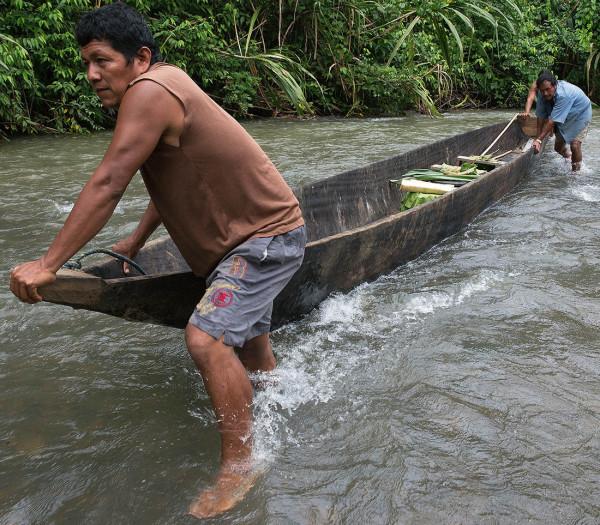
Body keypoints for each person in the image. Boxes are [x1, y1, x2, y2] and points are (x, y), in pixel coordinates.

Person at [8, 2, 305, 519]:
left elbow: (108, 182)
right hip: (248, 239)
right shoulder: (165, 84)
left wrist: (49, 262)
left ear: (139, 58)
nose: (92, 75)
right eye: (86, 63)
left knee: (206, 338)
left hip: (264, 239)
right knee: (250, 345)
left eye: (101, 60)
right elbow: (173, 176)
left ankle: (241, 465)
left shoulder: (148, 93)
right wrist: (133, 243)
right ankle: (283, 398)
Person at [525, 70, 593, 171]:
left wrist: (539, 140)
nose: (545, 93)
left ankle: (576, 173)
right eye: (542, 90)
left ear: (555, 85)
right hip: (564, 117)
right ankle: (570, 157)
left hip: (580, 114)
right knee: (557, 148)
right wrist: (537, 138)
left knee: (575, 144)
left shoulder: (564, 94)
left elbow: (552, 120)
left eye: (548, 89)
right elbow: (541, 116)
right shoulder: (542, 93)